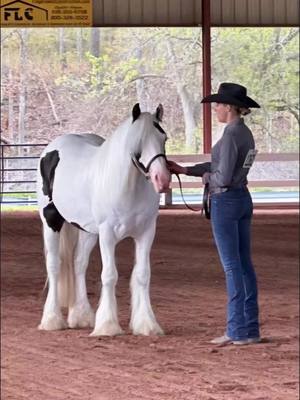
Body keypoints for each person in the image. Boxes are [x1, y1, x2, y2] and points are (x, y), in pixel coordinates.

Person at [168, 82, 261, 345]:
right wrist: (186, 170)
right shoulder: (244, 133)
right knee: (244, 265)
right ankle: (250, 328)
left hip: (226, 200)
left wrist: (206, 177)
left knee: (232, 266)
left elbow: (222, 175)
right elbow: (222, 166)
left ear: (230, 107)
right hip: (242, 198)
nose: (216, 108)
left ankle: (236, 331)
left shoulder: (230, 136)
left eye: (218, 104)